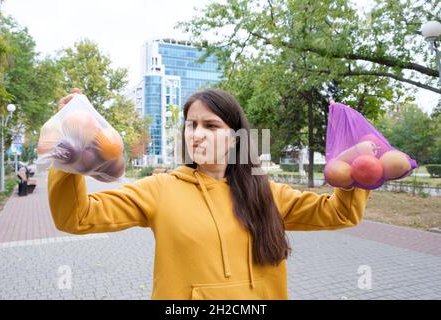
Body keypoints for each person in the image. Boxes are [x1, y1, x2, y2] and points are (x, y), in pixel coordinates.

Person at [48, 88, 370, 300]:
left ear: (235, 138)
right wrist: (71, 156)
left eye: (211, 126)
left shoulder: (266, 192)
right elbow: (77, 217)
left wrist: (356, 173)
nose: (197, 135)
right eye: (191, 125)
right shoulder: (160, 189)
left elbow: (341, 213)